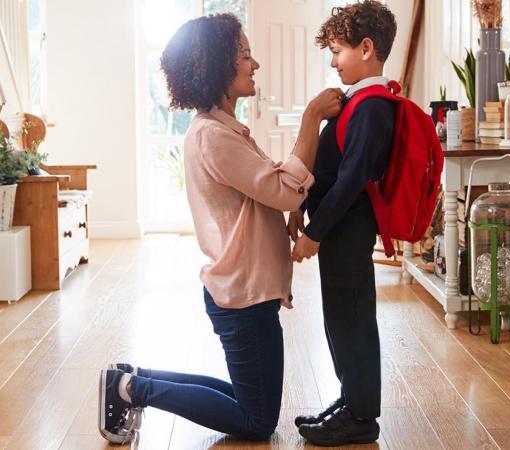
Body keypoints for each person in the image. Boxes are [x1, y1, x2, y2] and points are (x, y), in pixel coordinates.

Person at [97, 13, 342, 444]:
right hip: (243, 296)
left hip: (244, 291)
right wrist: (311, 120)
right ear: (216, 66)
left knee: (249, 400)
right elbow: (284, 190)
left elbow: (267, 192)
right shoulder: (214, 136)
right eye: (245, 55)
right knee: (256, 420)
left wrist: (290, 206)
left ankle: (132, 377)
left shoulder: (223, 130)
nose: (255, 64)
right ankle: (134, 389)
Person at [288, 1, 397, 446]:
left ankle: (361, 415)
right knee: (339, 319)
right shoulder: (356, 102)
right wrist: (303, 205)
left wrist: (315, 232)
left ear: (366, 48)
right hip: (339, 232)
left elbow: (352, 179)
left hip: (348, 232)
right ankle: (351, 400)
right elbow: (333, 167)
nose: (333, 61)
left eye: (337, 51)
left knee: (352, 321)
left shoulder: (372, 106)